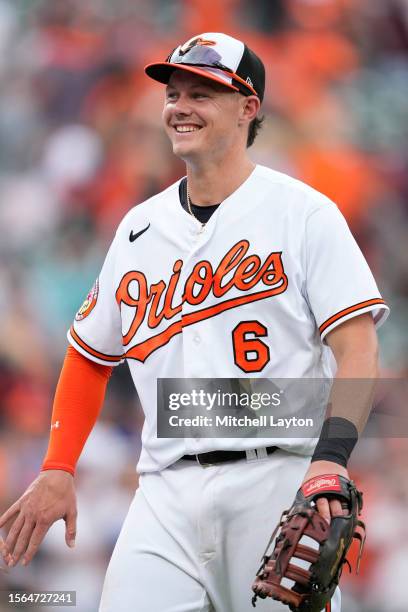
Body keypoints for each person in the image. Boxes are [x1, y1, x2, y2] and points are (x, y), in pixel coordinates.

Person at [0, 32, 388, 612]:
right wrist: (58, 467)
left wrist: (331, 457)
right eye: (173, 94)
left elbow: (356, 346)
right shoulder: (138, 228)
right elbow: (89, 354)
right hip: (165, 491)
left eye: (202, 94)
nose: (180, 106)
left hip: (275, 477)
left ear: (248, 107)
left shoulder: (304, 213)